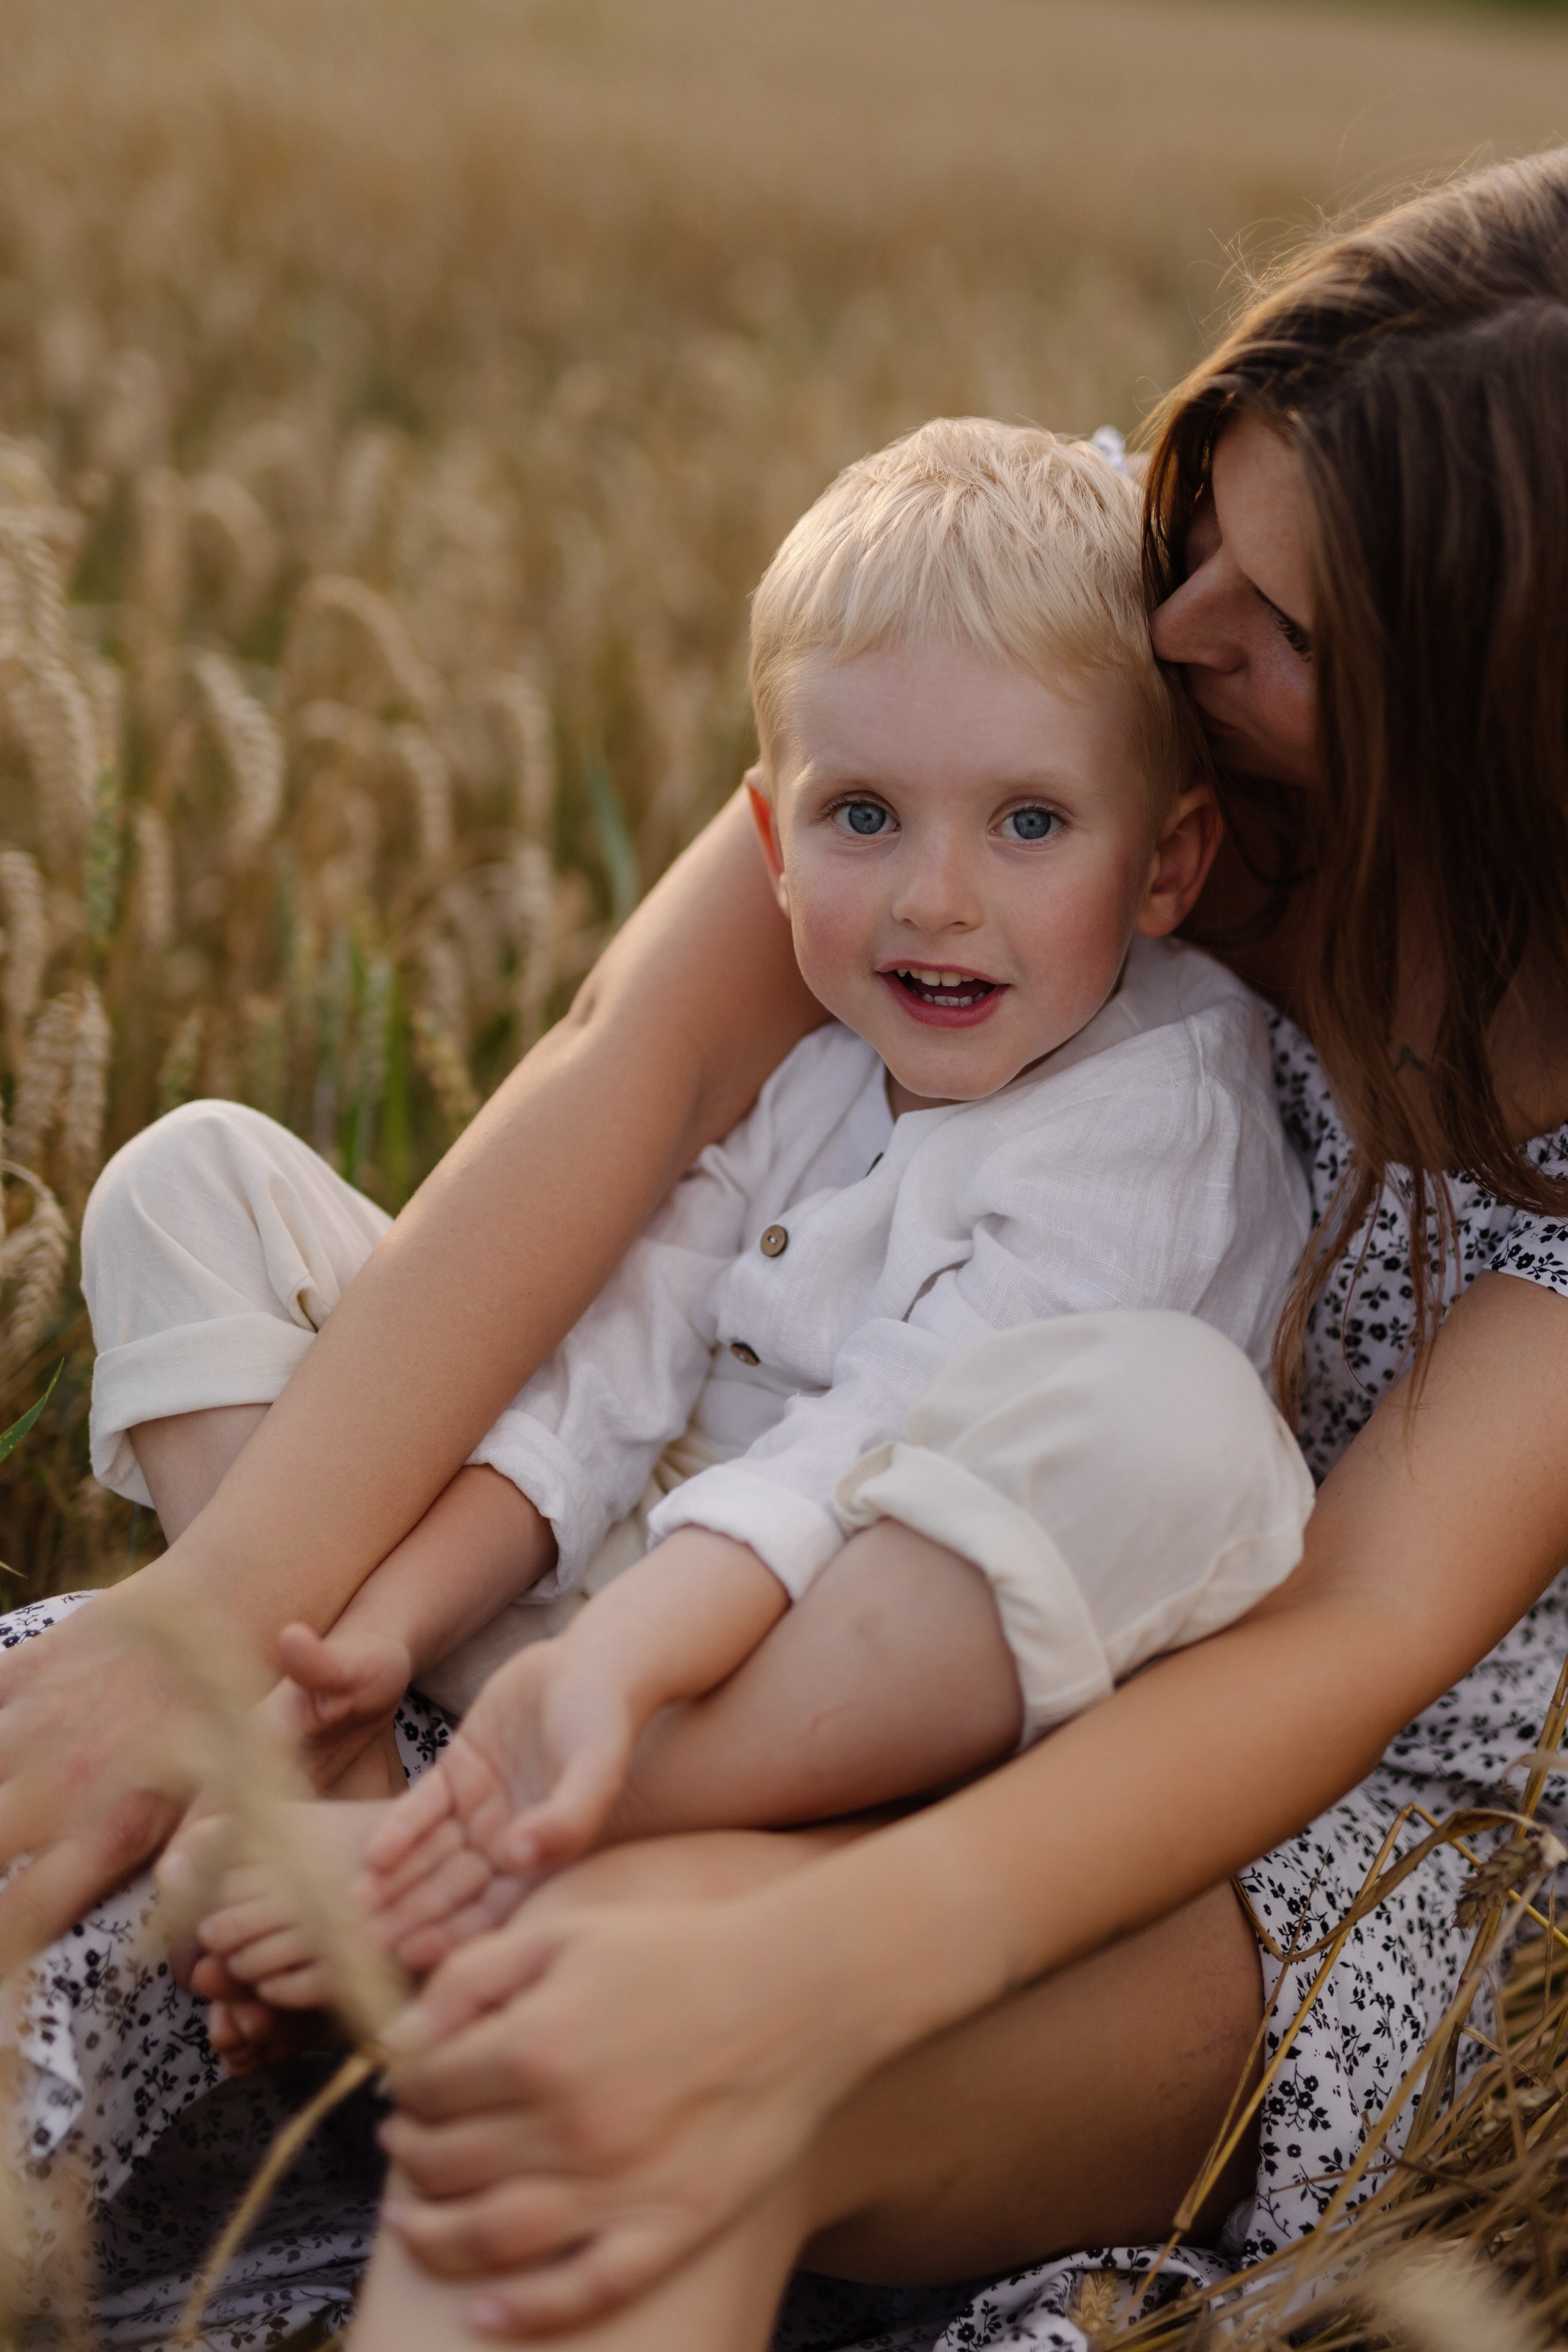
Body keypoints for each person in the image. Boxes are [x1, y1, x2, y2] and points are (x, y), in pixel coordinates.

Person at [0, 145, 1566, 2352]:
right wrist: (212, 1612)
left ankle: (505, 1822)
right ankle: (429, 1765)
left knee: (608, 2059)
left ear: (1501, 739)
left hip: (1239, 1820)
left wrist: (799, 1942)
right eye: (1202, 513)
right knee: (68, 1770)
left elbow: (1345, 1640)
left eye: (1284, 627)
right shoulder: (1085, 662)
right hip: (774, 1553)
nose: (1182, 620)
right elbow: (638, 1065)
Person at [171, 419, 1308, 2011]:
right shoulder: (832, 1050)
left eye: (1031, 823)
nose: (935, 896)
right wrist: (394, 1615)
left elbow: (868, 1446)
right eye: (864, 816)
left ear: (1169, 864)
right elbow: (626, 1339)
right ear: (769, 843)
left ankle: (460, 1834)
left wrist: (618, 1668)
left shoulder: (1161, 1113)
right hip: (579, 1611)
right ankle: (346, 1733)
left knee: (1182, 1434)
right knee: (191, 1181)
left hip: (829, 1674)